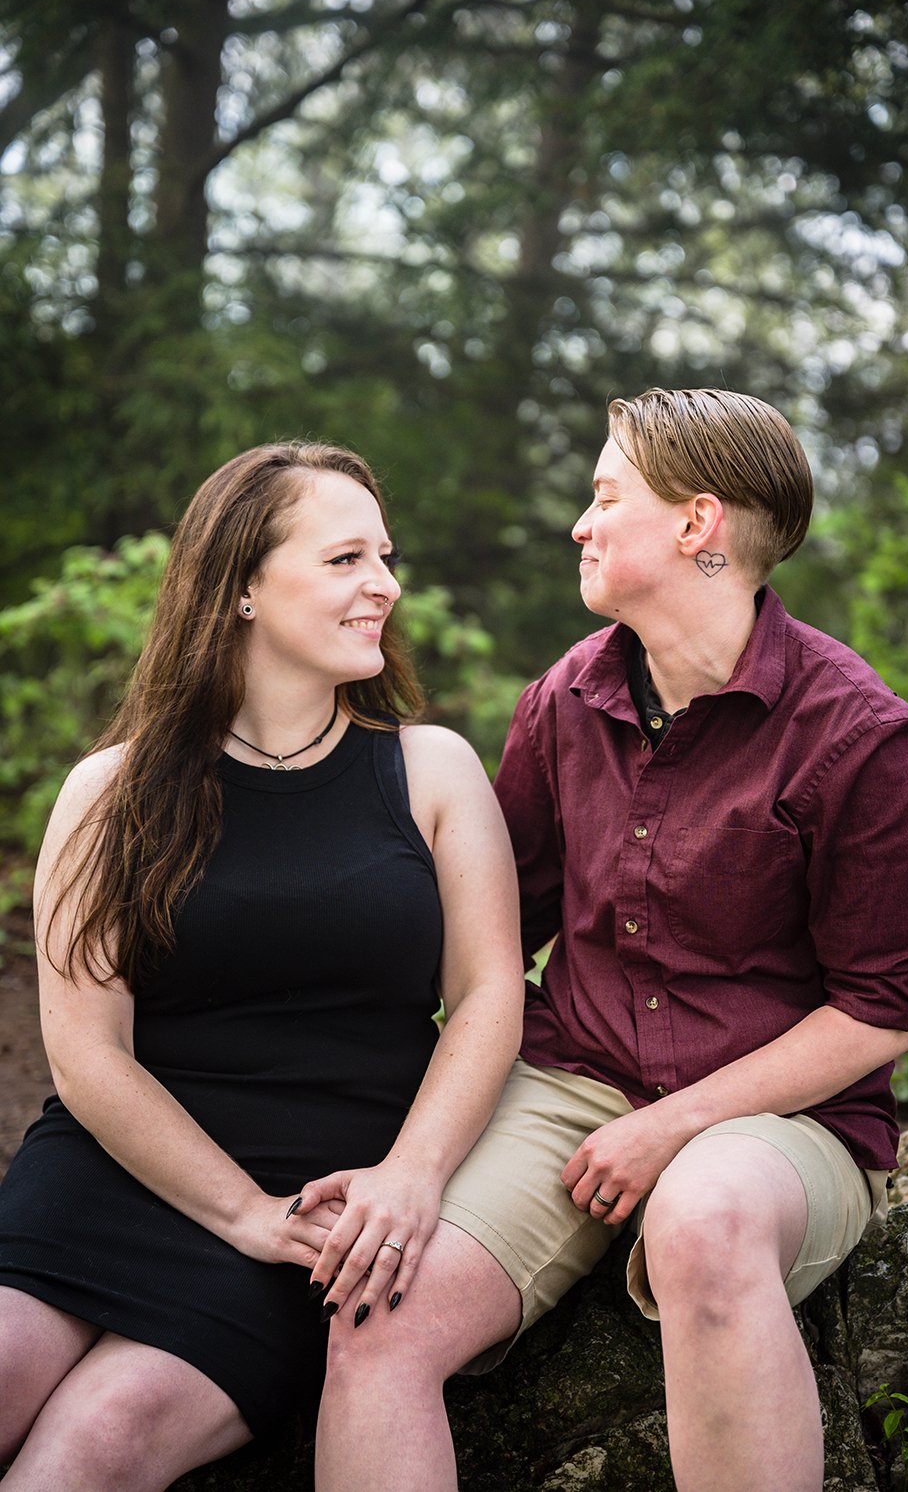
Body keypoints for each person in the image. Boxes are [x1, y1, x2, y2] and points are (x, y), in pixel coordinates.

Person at [312, 389, 908, 1492]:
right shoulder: (566, 698)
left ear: (697, 527)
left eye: (605, 495)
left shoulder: (856, 738)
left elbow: (882, 1008)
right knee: (377, 1311)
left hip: (776, 1117)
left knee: (701, 1223)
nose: (581, 522)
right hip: (573, 1081)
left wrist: (676, 1127)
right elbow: (487, 929)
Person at [0, 442, 523, 1490]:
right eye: (344, 560)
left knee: (95, 1446)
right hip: (118, 1182)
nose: (385, 585)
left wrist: (411, 1177)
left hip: (315, 1218)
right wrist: (238, 1210)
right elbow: (87, 1055)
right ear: (239, 585)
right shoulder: (110, 792)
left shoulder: (431, 769)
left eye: (386, 555)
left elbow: (486, 996)